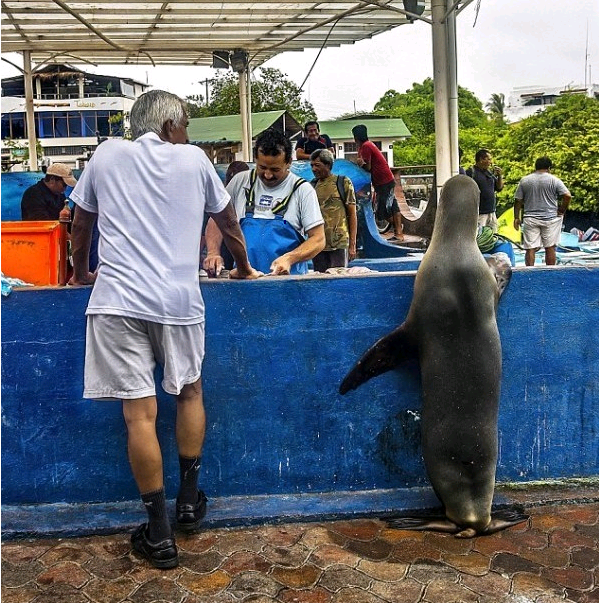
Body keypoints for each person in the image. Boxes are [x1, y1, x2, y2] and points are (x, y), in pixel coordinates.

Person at [68, 90, 260, 569]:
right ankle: (190, 503)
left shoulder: (106, 154)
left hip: (116, 301)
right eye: (187, 124)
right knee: (190, 392)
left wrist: (79, 272)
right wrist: (243, 267)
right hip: (178, 301)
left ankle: (159, 533)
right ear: (171, 124)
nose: (189, 133)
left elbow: (80, 224)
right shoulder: (194, 160)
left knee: (140, 416)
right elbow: (228, 221)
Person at [204, 128, 325, 276]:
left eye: (275, 169)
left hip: (288, 284)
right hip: (245, 282)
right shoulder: (240, 181)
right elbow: (217, 220)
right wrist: (213, 253)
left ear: (289, 162)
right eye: (262, 167)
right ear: (256, 159)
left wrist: (289, 258)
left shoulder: (302, 190)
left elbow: (318, 239)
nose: (267, 175)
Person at [513, 156, 571, 266]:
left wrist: (516, 217)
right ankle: (550, 273)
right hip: (550, 219)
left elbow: (518, 201)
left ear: (536, 167)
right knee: (550, 247)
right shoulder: (554, 180)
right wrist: (562, 210)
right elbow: (567, 196)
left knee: (530, 247)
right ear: (549, 168)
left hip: (530, 218)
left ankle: (529, 273)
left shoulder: (525, 180)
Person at [351, 124, 403, 242]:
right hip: (384, 180)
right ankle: (399, 233)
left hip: (383, 181)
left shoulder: (366, 146)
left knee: (383, 211)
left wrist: (360, 163)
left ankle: (398, 230)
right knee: (392, 206)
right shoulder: (367, 145)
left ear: (356, 137)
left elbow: (367, 167)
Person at [309, 149, 357, 271]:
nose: (314, 169)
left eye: (317, 165)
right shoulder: (312, 186)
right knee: (319, 281)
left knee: (338, 281)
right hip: (318, 244)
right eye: (312, 165)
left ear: (328, 165)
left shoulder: (342, 182)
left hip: (339, 244)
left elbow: (352, 214)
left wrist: (352, 245)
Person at [466, 149, 504, 232]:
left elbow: (499, 188)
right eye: (489, 159)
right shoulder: (471, 172)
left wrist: (500, 176)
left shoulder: (488, 173)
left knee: (494, 235)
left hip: (491, 211)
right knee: (479, 236)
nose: (490, 162)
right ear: (481, 160)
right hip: (479, 213)